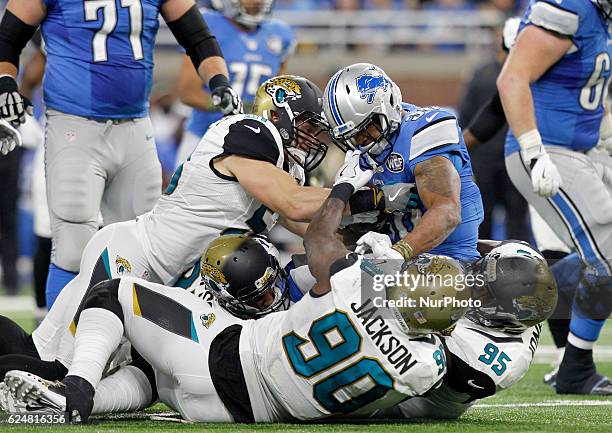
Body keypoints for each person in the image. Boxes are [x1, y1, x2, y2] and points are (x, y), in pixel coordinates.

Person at [7, 158, 465, 423]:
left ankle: (76, 390)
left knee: (114, 292)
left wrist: (346, 189)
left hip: (233, 364)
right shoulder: (429, 365)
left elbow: (320, 244)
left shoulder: (349, 287)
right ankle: (77, 403)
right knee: (148, 376)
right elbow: (408, 408)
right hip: (246, 413)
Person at [0, 76, 384, 383]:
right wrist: (367, 196)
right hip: (132, 259)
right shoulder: (251, 133)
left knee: (35, 352)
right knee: (56, 370)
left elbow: (308, 226)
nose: (313, 139)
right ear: (280, 114)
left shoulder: (285, 168)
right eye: (306, 127)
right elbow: (294, 203)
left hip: (159, 276)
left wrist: (368, 231)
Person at [0, 0, 242, 309]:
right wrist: (6, 82)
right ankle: (59, 350)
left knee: (145, 249)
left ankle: (133, 350)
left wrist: (218, 81)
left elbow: (198, 37)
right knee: (74, 248)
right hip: (74, 126)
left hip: (135, 128)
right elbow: (7, 38)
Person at [497, 0, 612, 394]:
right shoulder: (569, 7)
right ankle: (576, 367)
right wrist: (533, 151)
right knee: (609, 251)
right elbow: (512, 79)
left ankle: (544, 282)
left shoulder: (600, 18)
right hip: (550, 153)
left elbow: (587, 93)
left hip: (586, 151)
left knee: (597, 258)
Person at [323, 63, 484, 264]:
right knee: (301, 277)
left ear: (387, 104)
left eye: (366, 128)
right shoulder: (361, 153)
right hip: (391, 258)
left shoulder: (423, 128)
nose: (362, 140)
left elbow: (446, 211)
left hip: (446, 262)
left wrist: (398, 253)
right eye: (352, 136)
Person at [176, 0, 295, 166]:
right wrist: (227, 104)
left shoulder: (280, 34)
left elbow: (278, 94)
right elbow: (188, 93)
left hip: (254, 141)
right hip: (205, 137)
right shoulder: (209, 24)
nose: (257, 1)